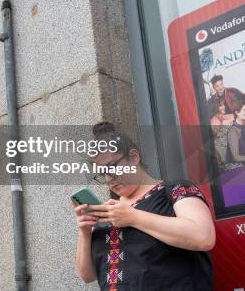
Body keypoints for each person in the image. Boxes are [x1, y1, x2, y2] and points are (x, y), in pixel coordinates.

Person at [73, 122, 215, 291]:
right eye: (101, 173)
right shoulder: (109, 212)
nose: (108, 178)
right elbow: (87, 276)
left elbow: (203, 237)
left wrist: (134, 217)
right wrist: (85, 233)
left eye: (111, 167)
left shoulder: (176, 190)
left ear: (134, 157)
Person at [209, 101, 235, 168]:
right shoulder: (213, 122)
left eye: (223, 105)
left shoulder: (227, 116)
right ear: (216, 108)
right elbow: (218, 136)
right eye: (221, 106)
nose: (224, 107)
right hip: (222, 148)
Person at [226, 100, 245, 168]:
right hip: (238, 168)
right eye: (244, 110)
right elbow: (236, 157)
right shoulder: (233, 131)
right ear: (237, 112)